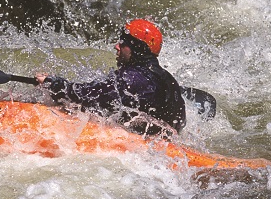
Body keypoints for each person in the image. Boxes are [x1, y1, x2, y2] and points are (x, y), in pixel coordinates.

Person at [35, 19, 186, 137]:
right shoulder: (168, 78)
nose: (117, 46)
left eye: (123, 43)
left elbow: (84, 96)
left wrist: (53, 84)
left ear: (136, 49)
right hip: (164, 141)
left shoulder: (129, 79)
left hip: (143, 145)